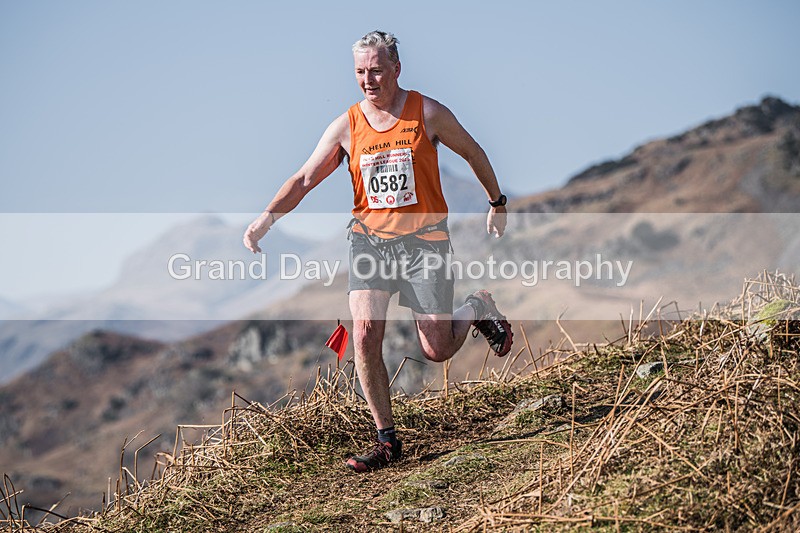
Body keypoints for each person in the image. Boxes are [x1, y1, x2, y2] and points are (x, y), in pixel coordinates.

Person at [243, 30, 512, 472]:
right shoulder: (347, 125)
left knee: (437, 349)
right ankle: (387, 442)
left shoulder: (427, 112)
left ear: (396, 69)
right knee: (365, 333)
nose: (368, 80)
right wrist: (267, 217)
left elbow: (473, 151)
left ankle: (477, 307)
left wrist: (496, 201)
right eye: (360, 72)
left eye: (376, 70)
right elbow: (305, 178)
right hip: (369, 242)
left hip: (425, 244)